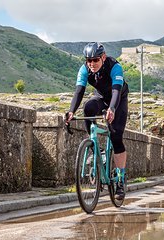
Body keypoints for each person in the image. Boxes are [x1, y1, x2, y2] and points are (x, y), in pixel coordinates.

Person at [65, 42, 129, 200]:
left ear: (103, 57)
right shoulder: (84, 69)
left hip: (118, 98)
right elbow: (79, 91)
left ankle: (120, 179)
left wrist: (112, 109)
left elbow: (116, 91)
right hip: (101, 96)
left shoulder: (115, 66)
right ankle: (94, 145)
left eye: (95, 60)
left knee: (115, 136)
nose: (92, 64)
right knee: (88, 107)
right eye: (89, 60)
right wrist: (71, 111)